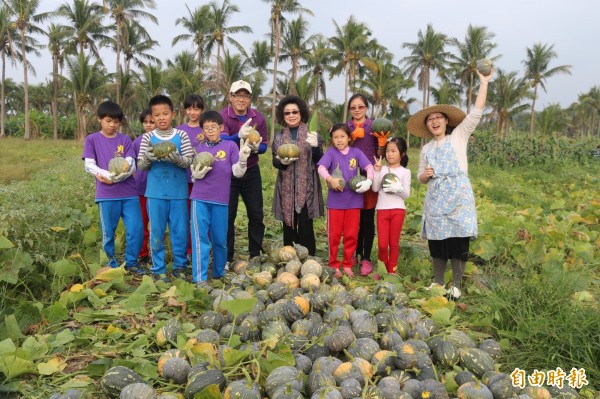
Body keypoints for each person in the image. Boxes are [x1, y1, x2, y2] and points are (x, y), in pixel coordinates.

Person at [408, 69, 494, 300]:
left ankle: (456, 286)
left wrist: (484, 83)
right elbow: (419, 177)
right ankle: (437, 282)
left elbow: (476, 112)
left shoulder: (459, 137)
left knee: (458, 240)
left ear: (446, 121)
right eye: (430, 119)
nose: (434, 121)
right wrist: (425, 175)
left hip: (458, 197)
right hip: (436, 198)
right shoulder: (426, 149)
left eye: (438, 117)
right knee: (437, 242)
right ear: (427, 126)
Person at [82, 100, 144, 274]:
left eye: (116, 122)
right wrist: (108, 176)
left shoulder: (124, 139)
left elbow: (131, 164)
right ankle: (112, 263)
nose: (112, 125)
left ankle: (131, 262)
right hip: (106, 194)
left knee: (136, 229)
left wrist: (115, 179)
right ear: (99, 119)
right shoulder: (92, 139)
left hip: (129, 193)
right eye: (108, 121)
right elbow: (89, 165)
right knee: (108, 232)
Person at [189, 111, 251, 285]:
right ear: (203, 130)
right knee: (200, 239)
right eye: (206, 128)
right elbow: (193, 176)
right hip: (199, 199)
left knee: (220, 240)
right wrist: (195, 174)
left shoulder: (230, 147)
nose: (210, 131)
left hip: (221, 200)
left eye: (213, 127)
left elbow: (237, 172)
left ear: (221, 128)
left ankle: (218, 274)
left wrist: (244, 160)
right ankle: (199, 279)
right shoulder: (199, 149)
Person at [137, 94, 194, 282]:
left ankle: (179, 266)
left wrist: (177, 159)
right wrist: (148, 158)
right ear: (151, 117)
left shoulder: (182, 135)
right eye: (157, 115)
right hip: (155, 194)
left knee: (180, 231)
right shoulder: (147, 138)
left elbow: (188, 162)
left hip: (178, 193)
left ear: (173, 114)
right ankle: (158, 268)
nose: (161, 118)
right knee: (157, 232)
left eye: (165, 113)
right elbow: (141, 166)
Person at [220, 80, 268, 263]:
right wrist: (237, 137)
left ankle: (255, 254)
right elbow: (222, 142)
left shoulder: (259, 118)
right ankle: (227, 256)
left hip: (251, 169)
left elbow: (264, 146)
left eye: (245, 95)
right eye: (237, 95)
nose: (241, 99)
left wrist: (255, 148)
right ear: (230, 97)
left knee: (256, 213)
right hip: (229, 171)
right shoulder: (223, 116)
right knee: (228, 214)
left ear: (250, 98)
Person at [317, 123, 374, 278]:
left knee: (351, 235)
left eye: (342, 136)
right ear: (332, 140)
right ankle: (334, 264)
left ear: (349, 137)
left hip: (354, 202)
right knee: (334, 235)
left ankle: (347, 263)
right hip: (335, 203)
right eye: (335, 137)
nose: (339, 140)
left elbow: (369, 166)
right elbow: (321, 168)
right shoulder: (331, 153)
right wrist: (330, 179)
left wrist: (369, 181)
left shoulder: (356, 152)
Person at [272, 95, 324, 255]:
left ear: (301, 113)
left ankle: (308, 258)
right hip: (286, 187)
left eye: (295, 111)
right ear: (283, 115)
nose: (291, 115)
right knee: (288, 224)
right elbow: (275, 161)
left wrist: (315, 146)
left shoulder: (311, 134)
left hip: (307, 187)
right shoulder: (279, 137)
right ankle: (289, 257)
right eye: (287, 113)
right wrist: (283, 162)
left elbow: (320, 159)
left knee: (305, 224)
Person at [346, 94, 388, 276]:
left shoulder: (374, 127)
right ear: (350, 110)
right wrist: (351, 138)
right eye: (353, 107)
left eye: (360, 107)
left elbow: (380, 154)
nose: (357, 110)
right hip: (350, 176)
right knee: (352, 220)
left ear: (366, 108)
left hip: (369, 176)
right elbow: (337, 145)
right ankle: (354, 254)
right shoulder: (346, 127)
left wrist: (381, 143)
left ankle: (366, 258)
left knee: (367, 220)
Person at [372, 137, 411, 276]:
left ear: (402, 154)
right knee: (382, 244)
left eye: (393, 151)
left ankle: (392, 270)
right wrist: (376, 171)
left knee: (393, 243)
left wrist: (398, 188)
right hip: (382, 209)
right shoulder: (381, 169)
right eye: (387, 151)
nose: (389, 154)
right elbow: (376, 188)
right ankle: (382, 269)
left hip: (398, 210)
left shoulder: (405, 172)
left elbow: (406, 195)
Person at [176, 94, 205, 263]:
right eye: (189, 108)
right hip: (183, 180)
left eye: (196, 108)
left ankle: (201, 248)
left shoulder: (206, 128)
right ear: (185, 110)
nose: (192, 112)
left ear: (201, 110)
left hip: (202, 181)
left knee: (201, 216)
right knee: (186, 216)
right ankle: (188, 249)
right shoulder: (179, 130)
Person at [132, 108, 156, 266]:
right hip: (140, 188)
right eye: (145, 122)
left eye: (151, 122)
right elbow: (131, 164)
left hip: (158, 189)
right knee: (142, 223)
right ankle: (142, 253)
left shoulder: (164, 140)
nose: (148, 125)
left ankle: (157, 253)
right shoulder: (137, 142)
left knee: (158, 224)